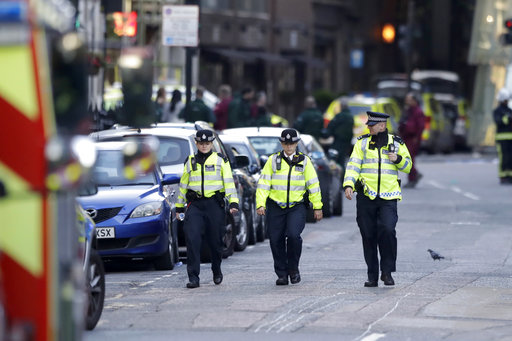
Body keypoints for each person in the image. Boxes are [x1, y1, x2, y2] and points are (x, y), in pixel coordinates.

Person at [343, 112, 412, 287]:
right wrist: (348, 184)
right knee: (368, 235)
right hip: (366, 196)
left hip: (389, 196)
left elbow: (408, 167)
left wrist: (397, 159)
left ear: (382, 125)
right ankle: (372, 275)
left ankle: (387, 272)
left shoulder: (396, 143)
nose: (369, 127)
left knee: (388, 230)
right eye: (369, 124)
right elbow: (353, 165)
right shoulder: (362, 143)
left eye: (372, 125)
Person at [256, 128, 323, 285]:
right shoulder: (273, 160)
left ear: (297, 143)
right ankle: (281, 273)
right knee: (275, 239)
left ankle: (293, 269)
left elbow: (313, 184)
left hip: (296, 205)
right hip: (276, 205)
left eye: (292, 143)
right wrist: (260, 203)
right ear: (281, 143)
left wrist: (317, 206)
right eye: (286, 143)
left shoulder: (304, 161)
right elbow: (263, 183)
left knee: (293, 236)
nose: (289, 146)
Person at [176, 130, 239, 288]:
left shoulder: (220, 160)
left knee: (215, 241)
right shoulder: (189, 161)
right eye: (201, 143)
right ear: (196, 144)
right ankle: (193, 277)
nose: (204, 146)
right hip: (195, 206)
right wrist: (179, 206)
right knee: (192, 239)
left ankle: (216, 270)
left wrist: (233, 202)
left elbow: (229, 182)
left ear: (212, 144)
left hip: (214, 205)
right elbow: (183, 185)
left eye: (207, 143)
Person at [398, 92, 425, 188]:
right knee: (407, 158)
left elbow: (421, 126)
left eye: (409, 100)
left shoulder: (418, 112)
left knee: (409, 159)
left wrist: (417, 138)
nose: (407, 101)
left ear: (414, 101)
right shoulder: (408, 110)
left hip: (412, 138)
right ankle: (414, 175)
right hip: (405, 137)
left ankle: (413, 177)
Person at [326, 98, 354, 166]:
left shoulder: (339, 116)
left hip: (338, 141)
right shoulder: (351, 117)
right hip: (347, 142)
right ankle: (342, 174)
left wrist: (327, 134)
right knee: (343, 159)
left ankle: (338, 174)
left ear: (341, 106)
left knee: (335, 159)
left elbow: (331, 126)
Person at [493, 88, 512, 184]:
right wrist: (507, 118)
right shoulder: (497, 111)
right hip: (501, 138)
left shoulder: (509, 110)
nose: (507, 101)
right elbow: (499, 121)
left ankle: (510, 175)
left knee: (510, 158)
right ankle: (503, 176)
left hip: (510, 138)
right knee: (503, 158)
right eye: (506, 100)